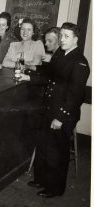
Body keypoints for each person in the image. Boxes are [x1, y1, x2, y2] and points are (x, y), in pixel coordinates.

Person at [20, 22, 90, 198]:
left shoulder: (79, 62)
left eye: (67, 36)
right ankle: (42, 180)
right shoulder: (60, 53)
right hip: (49, 107)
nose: (62, 39)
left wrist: (60, 118)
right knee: (43, 145)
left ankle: (55, 188)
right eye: (61, 36)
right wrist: (28, 76)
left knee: (56, 151)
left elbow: (75, 96)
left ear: (75, 39)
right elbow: (48, 76)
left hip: (62, 113)